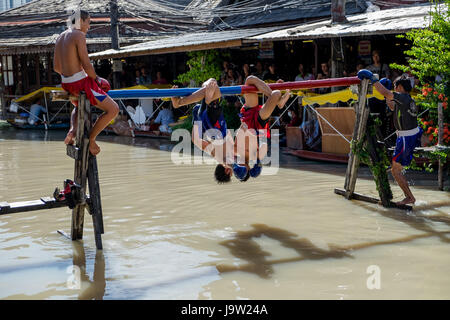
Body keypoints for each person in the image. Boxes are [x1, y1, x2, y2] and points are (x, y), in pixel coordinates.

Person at [53, 9, 119, 156]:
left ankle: (72, 130)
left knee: (78, 106)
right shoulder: (78, 35)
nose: (89, 26)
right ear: (80, 21)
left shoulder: (60, 37)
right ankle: (91, 139)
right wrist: (96, 79)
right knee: (113, 109)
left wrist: (72, 74)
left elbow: (56, 67)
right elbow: (86, 63)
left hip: (66, 83)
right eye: (88, 22)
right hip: (80, 83)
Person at [358, 69, 422, 205]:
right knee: (396, 169)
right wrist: (386, 95)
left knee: (395, 170)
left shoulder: (403, 98)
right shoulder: (407, 99)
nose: (393, 89)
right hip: (407, 137)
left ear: (399, 87)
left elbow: (386, 94)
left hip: (406, 138)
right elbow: (392, 106)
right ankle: (408, 196)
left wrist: (372, 79)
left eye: (394, 87)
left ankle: (410, 197)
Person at [171, 78, 236, 183]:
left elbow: (195, 140)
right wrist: (197, 120)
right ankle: (180, 103)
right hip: (209, 120)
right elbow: (195, 140)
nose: (233, 173)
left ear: (227, 171)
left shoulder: (226, 160)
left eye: (231, 174)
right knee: (208, 85)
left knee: (212, 84)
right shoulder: (215, 155)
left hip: (214, 121)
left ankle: (179, 103)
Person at [235, 76, 291, 180]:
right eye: (243, 167)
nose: (240, 164)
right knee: (276, 93)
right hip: (258, 123)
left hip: (247, 115)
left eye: (239, 166)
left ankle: (279, 102)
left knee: (249, 80)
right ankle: (278, 100)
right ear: (248, 168)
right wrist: (258, 162)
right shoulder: (254, 156)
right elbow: (264, 145)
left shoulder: (235, 152)